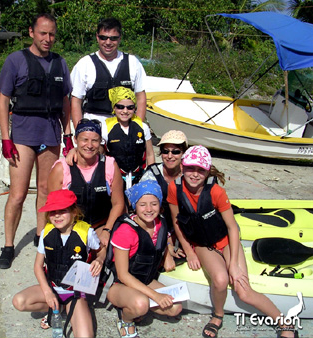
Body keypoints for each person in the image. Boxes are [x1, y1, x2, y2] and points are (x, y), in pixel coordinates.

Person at [167, 145, 298, 338]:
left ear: (207, 171)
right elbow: (177, 222)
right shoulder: (174, 188)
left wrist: (234, 264)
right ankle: (217, 316)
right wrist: (190, 251)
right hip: (203, 245)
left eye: (200, 170)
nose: (195, 174)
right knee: (220, 280)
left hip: (225, 240)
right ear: (183, 167)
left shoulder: (216, 192)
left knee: (243, 290)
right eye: (190, 168)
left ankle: (284, 322)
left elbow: (232, 227)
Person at [0, 13, 73, 269]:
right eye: (43, 33)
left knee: (46, 191)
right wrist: (6, 137)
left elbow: (65, 101)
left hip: (50, 133)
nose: (47, 39)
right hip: (23, 134)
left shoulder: (60, 63)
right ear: (32, 32)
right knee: (17, 195)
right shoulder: (16, 60)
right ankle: (8, 245)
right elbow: (4, 99)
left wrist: (68, 134)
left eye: (52, 34)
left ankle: (41, 238)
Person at [12, 189, 105, 338]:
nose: (56, 216)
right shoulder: (46, 232)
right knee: (19, 301)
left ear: (74, 212)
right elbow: (38, 266)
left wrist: (99, 260)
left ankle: (68, 308)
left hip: (75, 293)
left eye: (62, 211)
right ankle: (58, 307)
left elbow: (101, 251)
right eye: (52, 212)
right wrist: (48, 293)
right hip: (52, 286)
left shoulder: (86, 232)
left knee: (85, 336)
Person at [107, 180, 182, 338]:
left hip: (145, 279)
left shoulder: (159, 223)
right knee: (141, 305)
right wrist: (155, 296)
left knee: (176, 307)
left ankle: (137, 304)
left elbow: (165, 237)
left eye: (154, 204)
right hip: (119, 284)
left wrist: (168, 253)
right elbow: (123, 275)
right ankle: (126, 319)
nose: (149, 209)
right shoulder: (126, 231)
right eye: (143, 204)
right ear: (135, 206)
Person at [47, 118, 125, 247]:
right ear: (76, 140)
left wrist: (107, 230)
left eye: (94, 140)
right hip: (71, 228)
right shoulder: (62, 168)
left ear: (100, 142)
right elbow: (53, 208)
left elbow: (118, 203)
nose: (89, 145)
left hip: (102, 225)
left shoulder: (110, 165)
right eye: (84, 140)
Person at [70, 17, 147, 129]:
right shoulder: (84, 64)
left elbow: (141, 98)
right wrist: (80, 130)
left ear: (120, 38)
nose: (108, 42)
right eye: (103, 38)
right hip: (94, 127)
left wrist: (137, 127)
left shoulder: (133, 63)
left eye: (113, 38)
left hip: (125, 127)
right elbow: (76, 101)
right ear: (97, 37)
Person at [140, 130, 189, 271]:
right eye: (165, 151)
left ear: (183, 153)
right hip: (156, 223)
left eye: (175, 152)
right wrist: (168, 242)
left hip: (181, 224)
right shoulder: (152, 175)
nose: (169, 156)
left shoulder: (191, 174)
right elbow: (146, 213)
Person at [104, 86, 155, 189]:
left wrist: (151, 175)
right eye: (120, 107)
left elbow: (150, 154)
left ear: (135, 108)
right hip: (115, 176)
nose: (125, 111)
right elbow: (101, 155)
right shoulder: (106, 128)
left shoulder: (142, 127)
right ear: (114, 107)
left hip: (139, 175)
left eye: (130, 107)